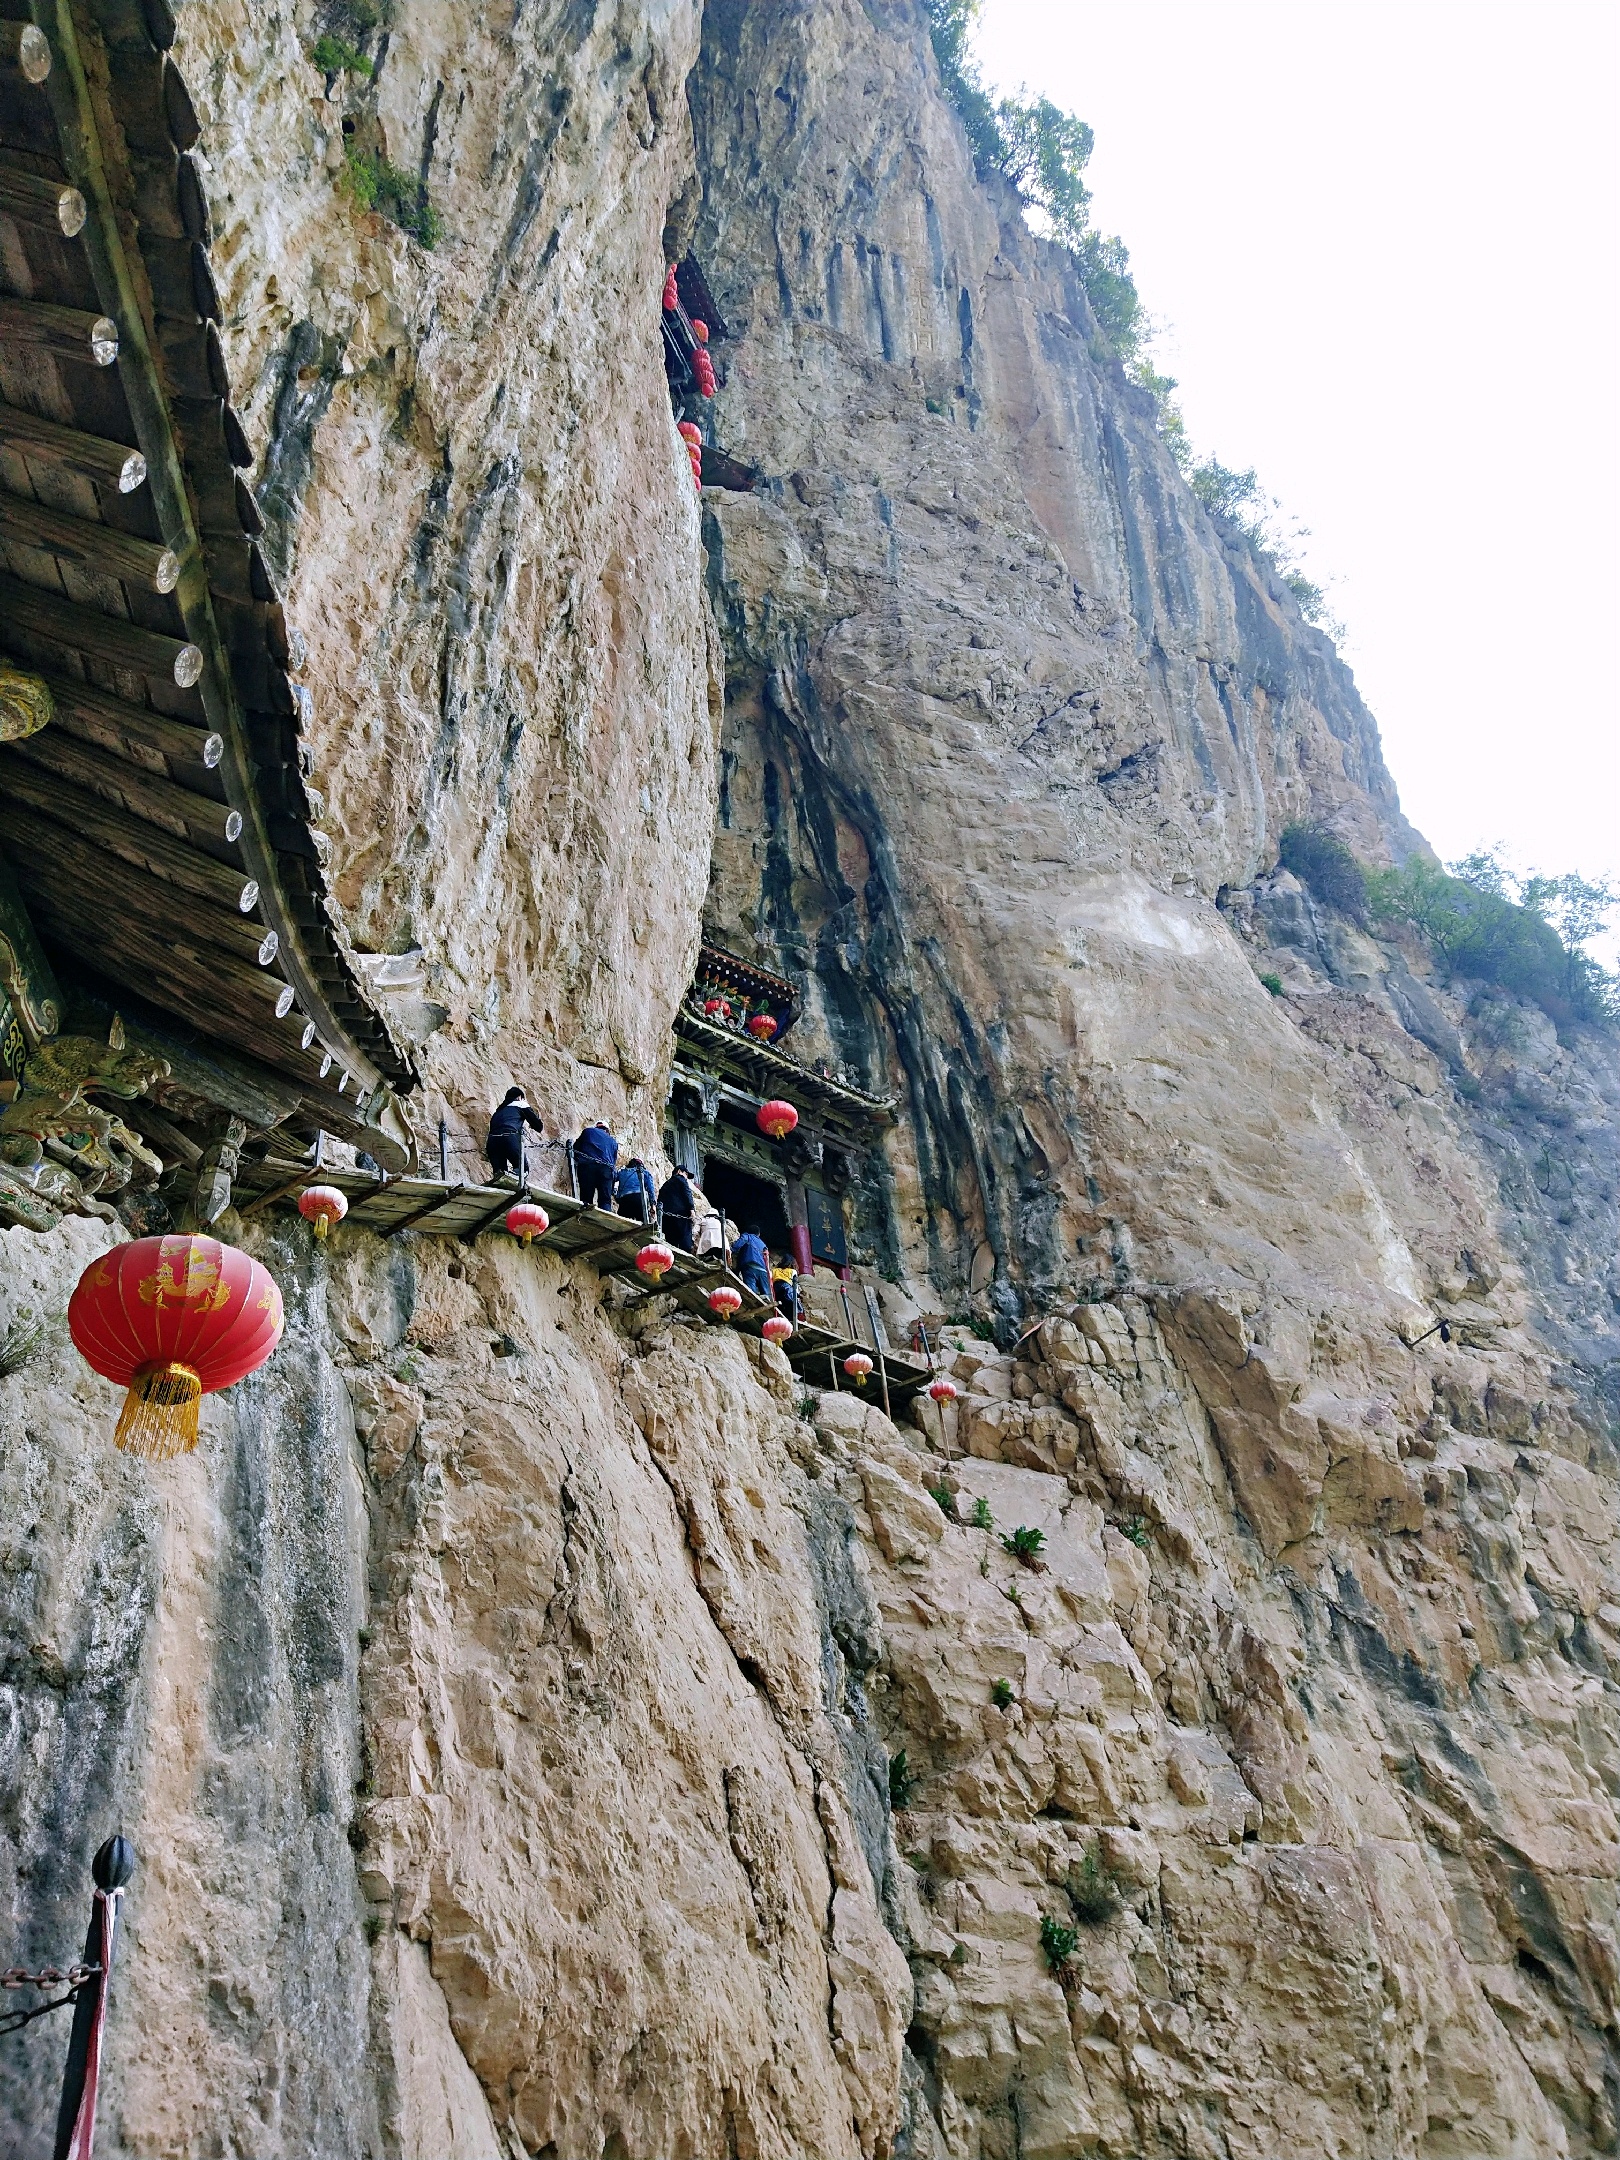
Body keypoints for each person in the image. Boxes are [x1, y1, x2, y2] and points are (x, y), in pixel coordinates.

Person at [486, 1088, 544, 1182]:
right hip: (509, 1138)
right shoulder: (520, 1104)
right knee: (522, 1170)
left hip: (492, 1141)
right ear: (519, 1097)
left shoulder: (498, 1111)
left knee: (500, 1175)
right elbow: (538, 1126)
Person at [574, 1119, 618, 1211]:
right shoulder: (613, 1141)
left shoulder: (588, 1131)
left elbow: (576, 1148)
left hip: (588, 1166)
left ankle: (586, 1217)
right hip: (606, 1169)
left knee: (586, 1197)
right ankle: (605, 1218)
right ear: (607, 1130)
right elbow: (613, 1162)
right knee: (605, 1200)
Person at [729, 1222, 771, 1301]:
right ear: (758, 1234)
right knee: (766, 1294)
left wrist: (731, 1250)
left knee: (751, 1292)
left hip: (750, 1266)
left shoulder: (747, 1236)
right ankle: (767, 1302)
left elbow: (738, 1244)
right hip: (763, 1270)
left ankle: (753, 1302)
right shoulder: (763, 1244)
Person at [659, 1166, 697, 1251]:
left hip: (666, 1217)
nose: (686, 1177)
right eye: (686, 1174)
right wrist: (692, 1210)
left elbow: (660, 1200)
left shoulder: (665, 1185)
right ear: (679, 1171)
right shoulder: (681, 1180)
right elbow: (687, 1194)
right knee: (685, 1241)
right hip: (681, 1215)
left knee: (671, 1242)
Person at [615, 1156, 657, 1222]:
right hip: (639, 1199)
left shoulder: (621, 1173)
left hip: (625, 1200)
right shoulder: (645, 1172)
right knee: (646, 1226)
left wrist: (616, 1196)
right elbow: (650, 1190)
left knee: (622, 1224)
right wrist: (653, 1205)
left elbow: (612, 1180)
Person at [691, 1187, 724, 1257]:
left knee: (707, 1255)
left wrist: (693, 1242)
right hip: (721, 1246)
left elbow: (695, 1231)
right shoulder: (720, 1223)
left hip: (707, 1245)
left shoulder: (703, 1219)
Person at [770, 1256, 799, 1325]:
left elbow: (770, 1279)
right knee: (790, 1305)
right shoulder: (793, 1271)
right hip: (787, 1288)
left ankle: (781, 1318)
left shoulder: (774, 1270)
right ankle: (791, 1321)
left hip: (776, 1288)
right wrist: (797, 1293)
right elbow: (795, 1284)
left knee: (780, 1305)